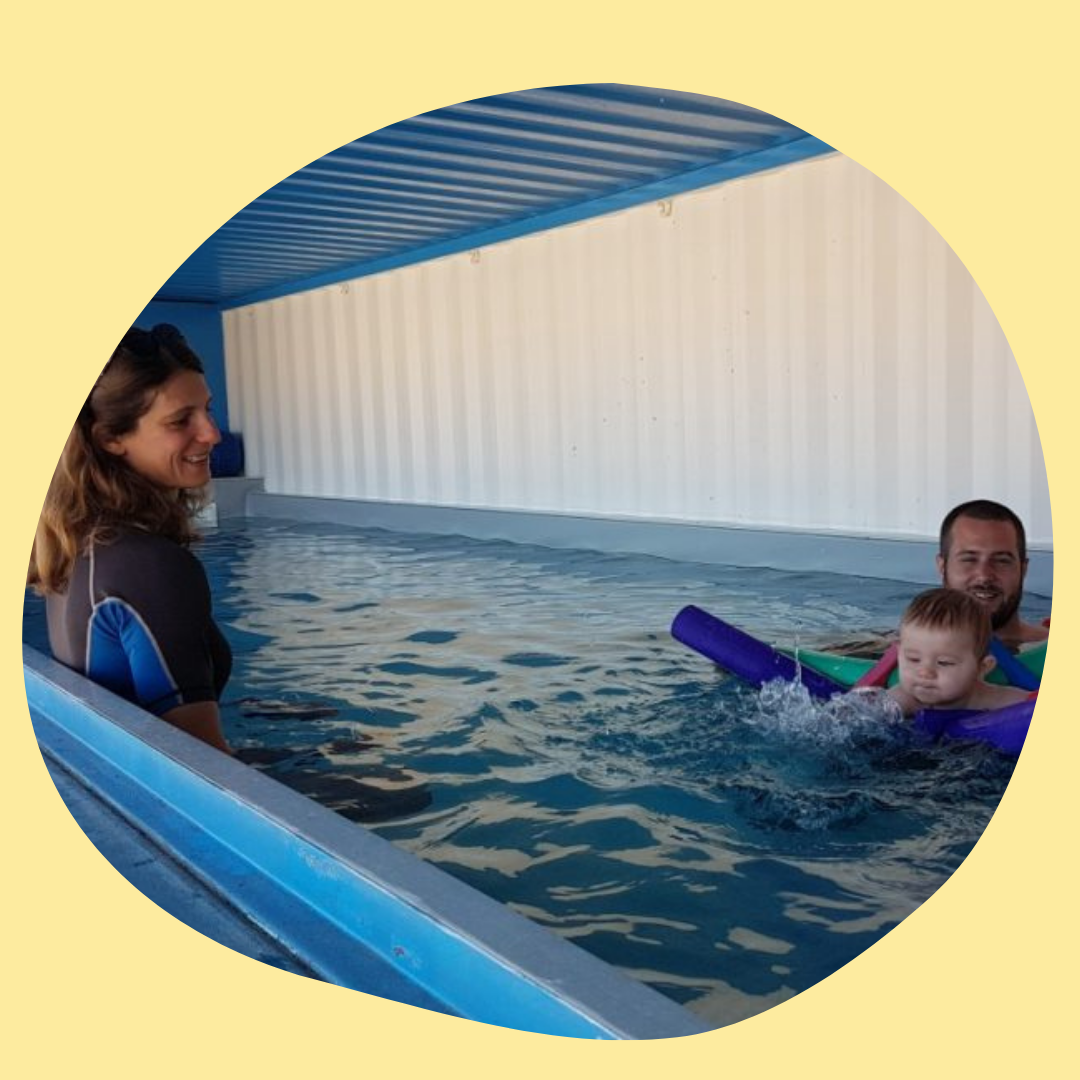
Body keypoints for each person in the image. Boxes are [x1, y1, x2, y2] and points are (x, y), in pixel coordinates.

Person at [27, 324, 232, 752]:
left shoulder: (80, 544)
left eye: (207, 410)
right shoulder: (151, 565)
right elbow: (203, 764)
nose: (212, 433)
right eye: (181, 420)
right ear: (111, 438)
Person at [884, 588, 1031, 716]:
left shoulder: (993, 699)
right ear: (899, 654)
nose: (925, 673)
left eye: (944, 663)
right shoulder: (901, 700)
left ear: (982, 668)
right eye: (913, 659)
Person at [937, 499, 1049, 650]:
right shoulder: (911, 652)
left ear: (1023, 569)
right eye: (969, 559)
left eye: (1001, 561)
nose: (984, 576)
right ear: (942, 567)